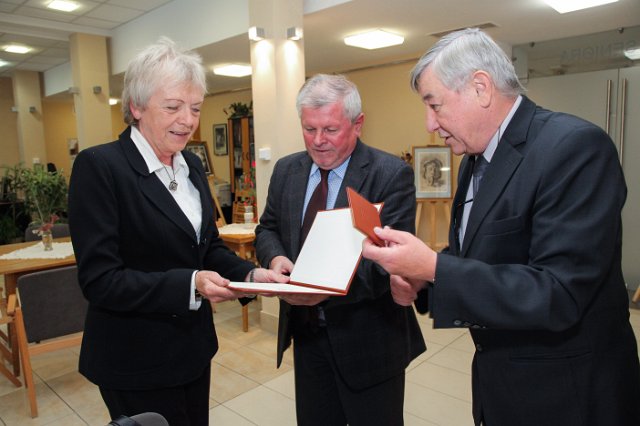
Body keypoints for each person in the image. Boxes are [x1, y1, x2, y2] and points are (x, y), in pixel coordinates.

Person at [362, 28, 640, 426]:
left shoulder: (574, 148)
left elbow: (559, 293)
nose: (430, 124)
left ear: (480, 88)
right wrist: (423, 280)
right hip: (501, 386)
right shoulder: (474, 159)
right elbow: (479, 255)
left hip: (568, 395)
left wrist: (434, 268)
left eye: (435, 105)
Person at [68, 37, 286, 426]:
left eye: (195, 108)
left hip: (192, 349)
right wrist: (191, 284)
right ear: (136, 107)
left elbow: (207, 248)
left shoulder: (190, 166)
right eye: (173, 107)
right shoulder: (100, 167)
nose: (188, 120)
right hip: (135, 358)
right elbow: (101, 280)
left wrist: (250, 275)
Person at [255, 74, 425, 426]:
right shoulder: (287, 170)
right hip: (306, 335)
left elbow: (391, 264)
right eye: (309, 129)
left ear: (357, 124)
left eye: (330, 130)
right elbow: (267, 228)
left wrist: (326, 289)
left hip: (368, 342)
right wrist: (275, 257)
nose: (318, 141)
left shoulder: (389, 174)